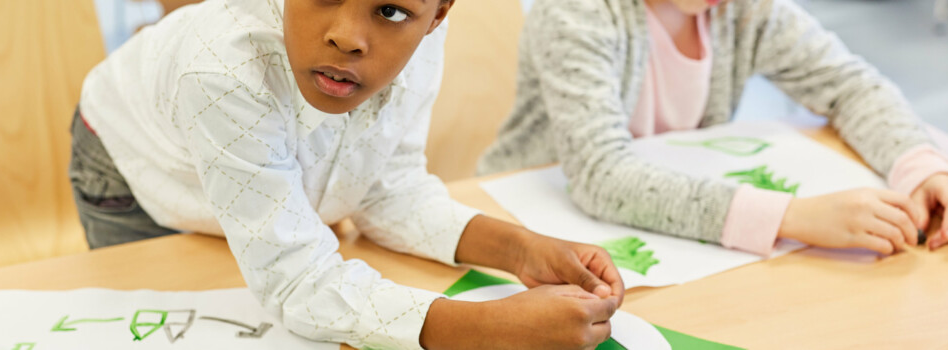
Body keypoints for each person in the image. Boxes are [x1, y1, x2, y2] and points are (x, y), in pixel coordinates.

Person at [69, 0, 623, 348]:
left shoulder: (420, 34)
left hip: (256, 165)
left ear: (438, 15)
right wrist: (487, 330)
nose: (348, 36)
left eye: (390, 11)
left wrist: (520, 249)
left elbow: (387, 188)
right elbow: (293, 280)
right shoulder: (222, 69)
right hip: (140, 168)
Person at [479, 0, 948, 257]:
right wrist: (790, 218)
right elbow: (598, 174)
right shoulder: (578, 12)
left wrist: (920, 166)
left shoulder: (744, 11)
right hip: (524, 223)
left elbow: (849, 84)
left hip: (666, 226)